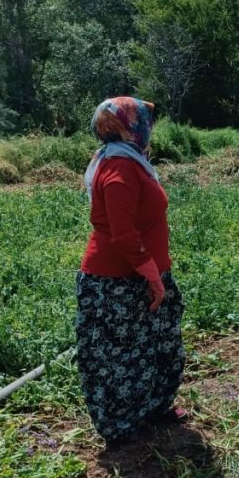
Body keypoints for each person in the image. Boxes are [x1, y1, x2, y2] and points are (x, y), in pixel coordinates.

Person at [76, 97, 185, 444]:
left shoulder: (127, 159)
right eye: (144, 121)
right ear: (131, 125)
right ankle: (122, 428)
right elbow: (123, 234)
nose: (148, 127)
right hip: (119, 283)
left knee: (156, 344)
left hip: (139, 276)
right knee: (119, 355)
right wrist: (152, 274)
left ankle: (152, 409)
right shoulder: (120, 166)